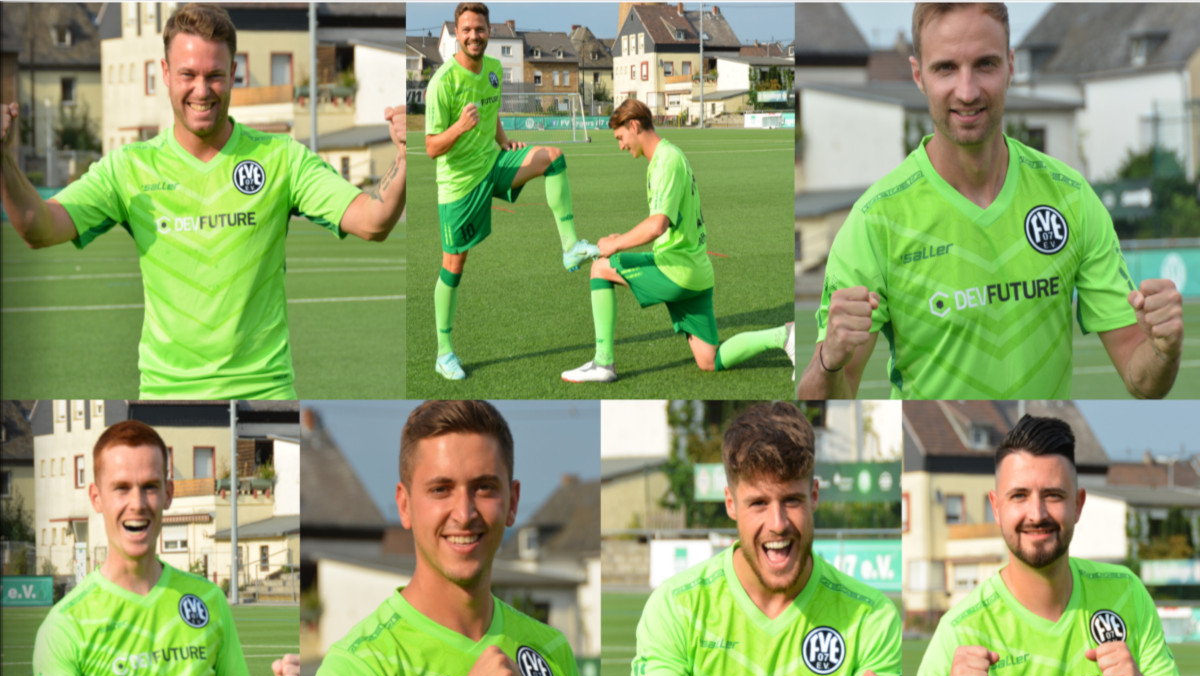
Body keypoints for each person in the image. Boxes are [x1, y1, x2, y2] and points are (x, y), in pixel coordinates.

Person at [0, 3, 406, 400]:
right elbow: (38, 226)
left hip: (264, 391)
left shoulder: (282, 157)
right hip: (166, 395)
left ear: (233, 74)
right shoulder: (130, 167)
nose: (201, 89)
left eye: (214, 75)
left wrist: (406, 153)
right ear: (164, 73)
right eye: (187, 74)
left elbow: (373, 220)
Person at [797, 2, 1184, 400]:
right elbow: (826, 404)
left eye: (985, 64)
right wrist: (829, 360)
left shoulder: (1070, 197)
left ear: (1011, 66)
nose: (967, 92)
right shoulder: (875, 221)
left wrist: (1163, 349)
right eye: (946, 68)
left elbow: (1142, 378)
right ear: (918, 75)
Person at [299, 400, 597, 676]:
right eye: (441, 489)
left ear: (513, 501)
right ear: (405, 505)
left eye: (484, 488)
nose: (464, 512)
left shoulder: (551, 651)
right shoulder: (360, 661)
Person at [902, 415, 1200, 676]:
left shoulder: (1125, 595)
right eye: (1019, 495)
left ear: (1078, 505)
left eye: (1054, 495)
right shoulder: (962, 630)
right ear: (996, 507)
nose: (1037, 513)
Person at [618, 402, 901, 676]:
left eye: (792, 500)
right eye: (758, 503)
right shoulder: (677, 605)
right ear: (731, 503)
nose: (778, 523)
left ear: (814, 495)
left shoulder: (869, 616)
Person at [31, 420, 300, 676]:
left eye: (150, 487)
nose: (137, 503)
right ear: (96, 497)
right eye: (121, 488)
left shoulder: (207, 601)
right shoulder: (65, 624)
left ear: (169, 493)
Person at [561, 100, 795, 384]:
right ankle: (786, 336)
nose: (621, 146)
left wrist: (616, 243)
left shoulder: (666, 160)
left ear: (634, 126)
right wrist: (618, 238)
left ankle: (603, 363)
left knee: (600, 267)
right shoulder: (667, 158)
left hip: (677, 271)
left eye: (620, 137)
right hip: (696, 272)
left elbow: (658, 224)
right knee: (710, 360)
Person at [428, 2, 599, 381]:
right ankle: (444, 353)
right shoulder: (442, 82)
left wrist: (503, 142)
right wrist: (458, 128)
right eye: (467, 29)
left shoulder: (492, 70)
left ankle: (570, 246)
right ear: (457, 33)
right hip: (459, 186)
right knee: (454, 267)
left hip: (493, 164)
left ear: (489, 31)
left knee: (552, 157)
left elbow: (491, 115)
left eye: (480, 29)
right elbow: (431, 147)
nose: (474, 35)